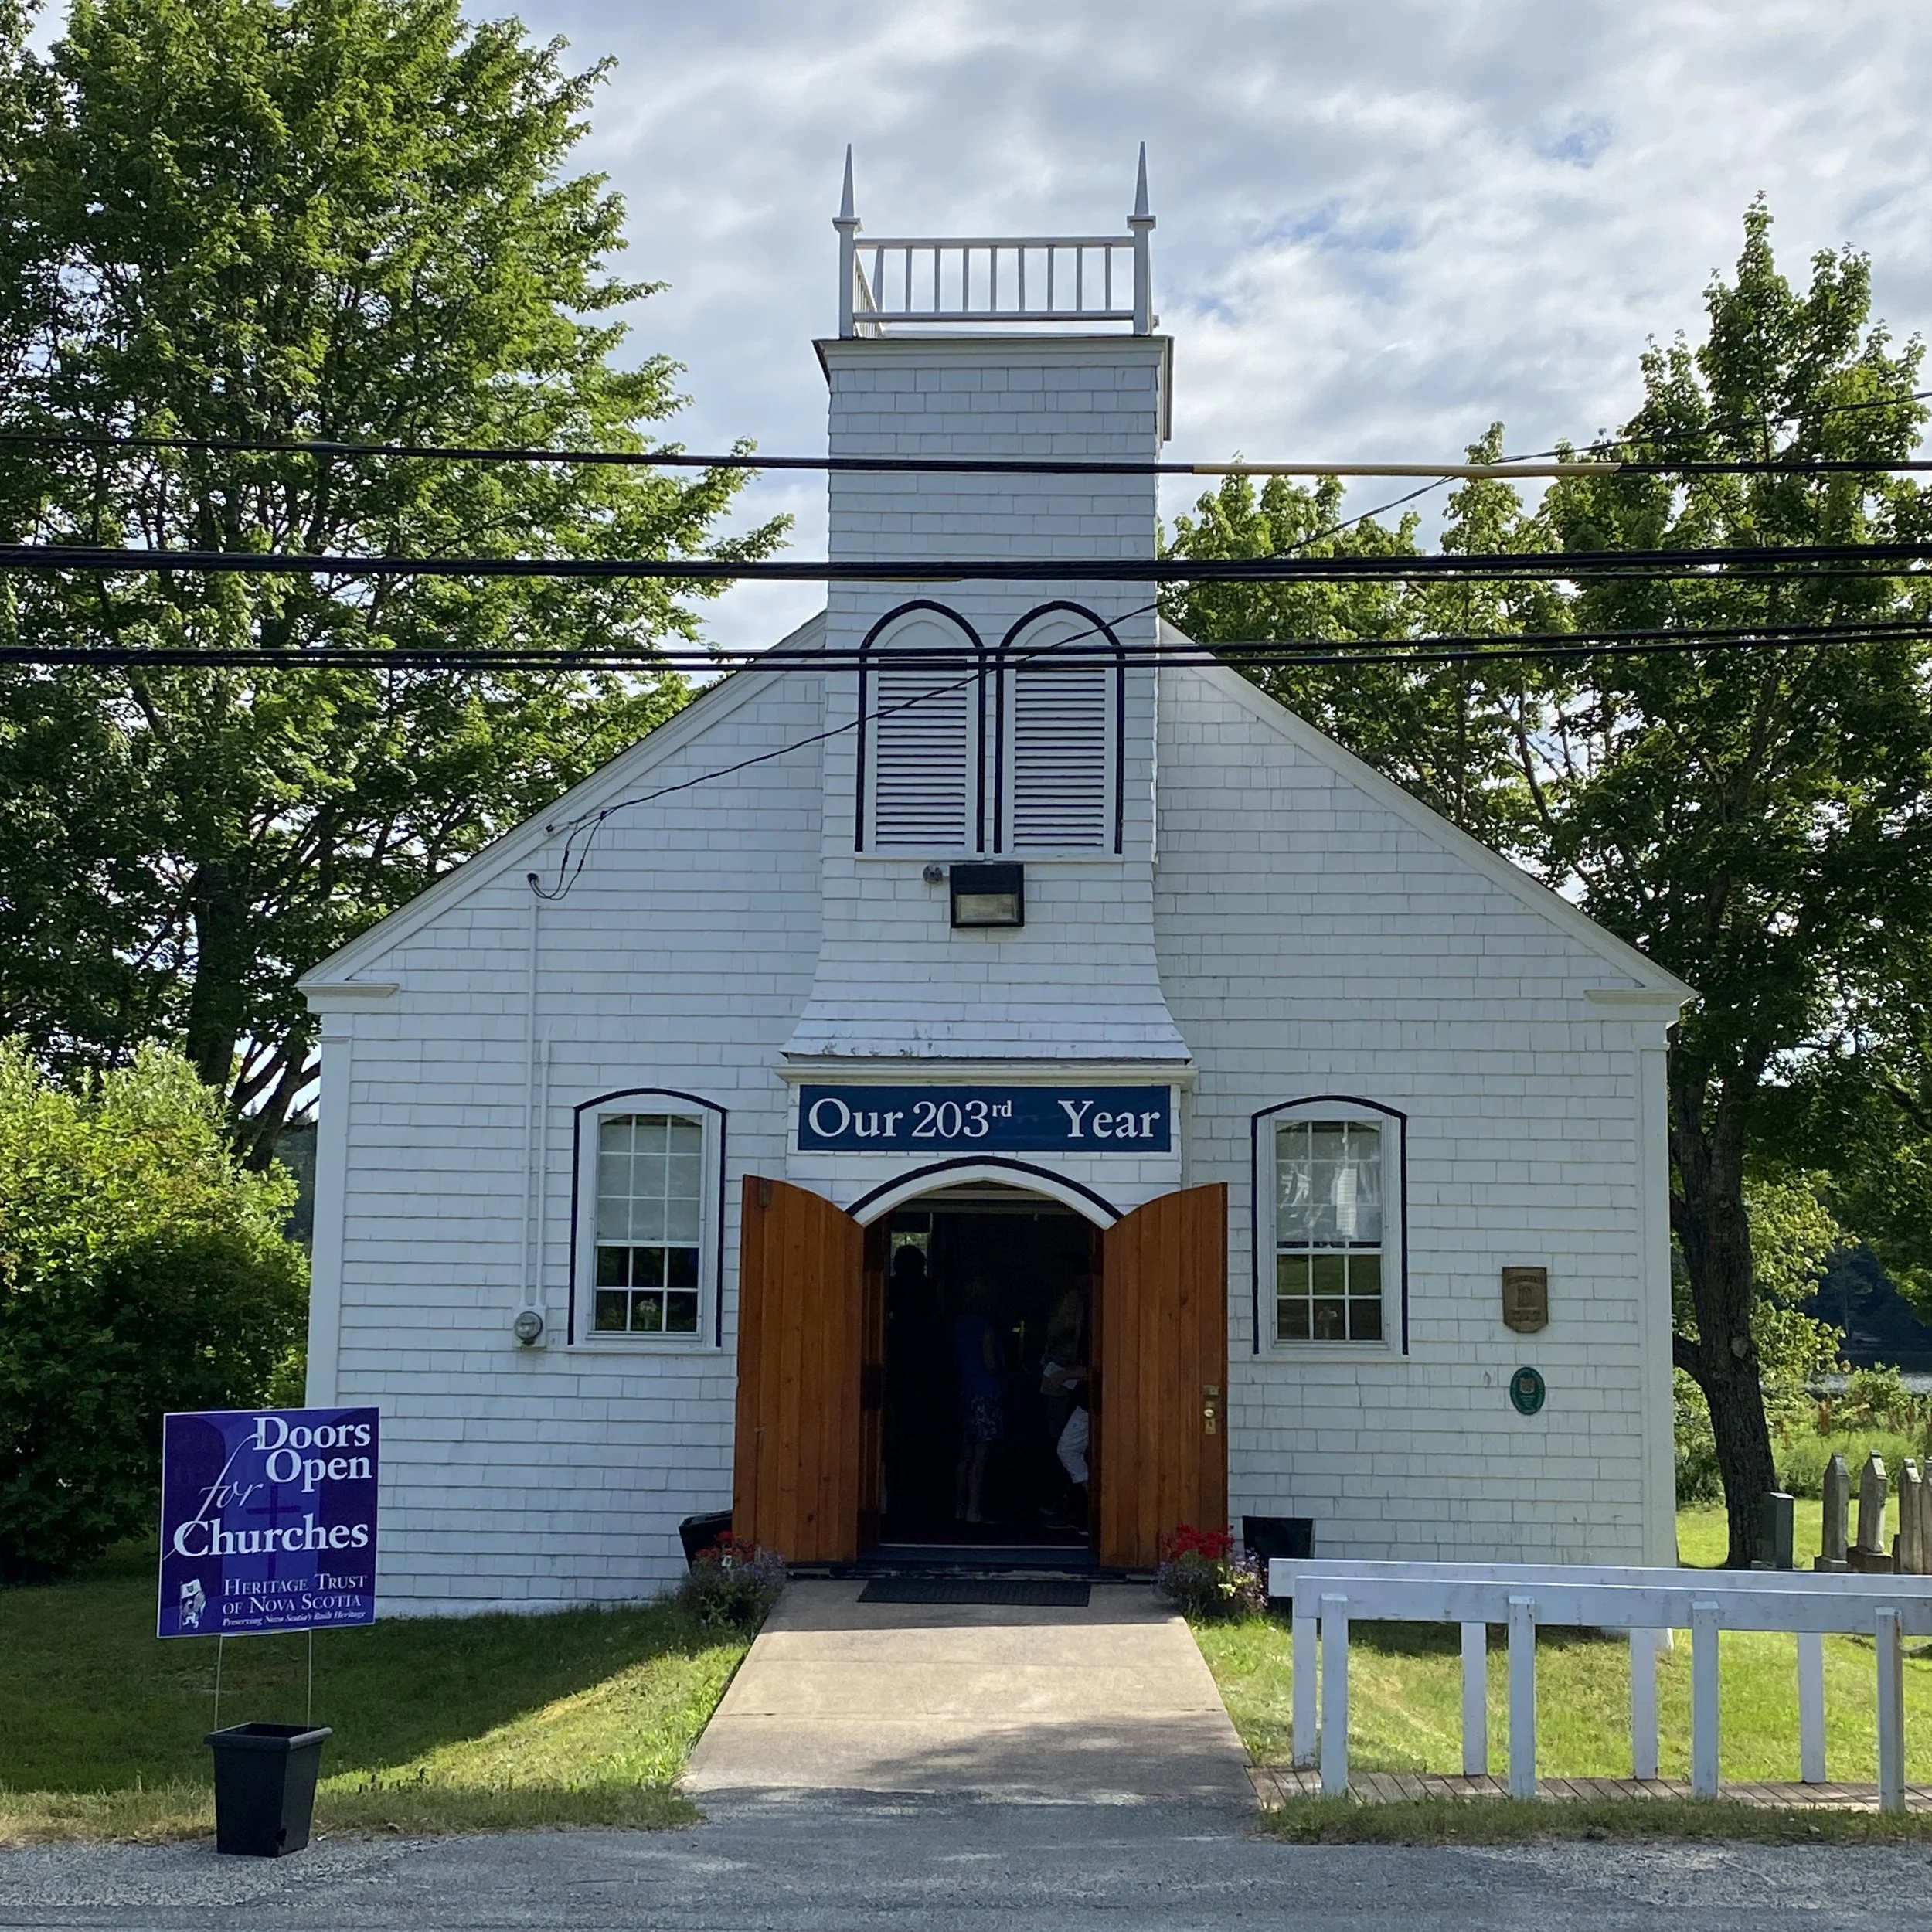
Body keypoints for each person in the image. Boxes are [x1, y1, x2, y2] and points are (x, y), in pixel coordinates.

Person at [1039, 1274, 1090, 1529]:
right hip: (1079, 1397)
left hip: (1087, 1400)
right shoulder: (1078, 1331)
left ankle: (1093, 1506)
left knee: (1067, 1449)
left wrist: (1063, 1375)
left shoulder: (1090, 1328)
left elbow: (1094, 1367)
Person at [951, 1276, 1004, 1525]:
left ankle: (960, 1508)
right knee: (981, 1455)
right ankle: (975, 1511)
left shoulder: (958, 1323)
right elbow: (990, 1363)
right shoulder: (985, 1325)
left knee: (965, 1453)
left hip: (965, 1390)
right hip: (985, 1391)